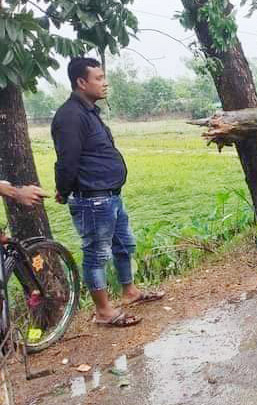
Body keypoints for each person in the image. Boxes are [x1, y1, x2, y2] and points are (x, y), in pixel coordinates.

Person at [51, 57, 164, 328]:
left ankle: (129, 292)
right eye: (98, 78)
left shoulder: (89, 111)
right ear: (81, 82)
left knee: (124, 244)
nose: (105, 83)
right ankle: (103, 311)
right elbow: (67, 159)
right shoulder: (70, 116)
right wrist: (64, 190)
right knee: (97, 254)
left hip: (111, 195)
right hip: (92, 199)